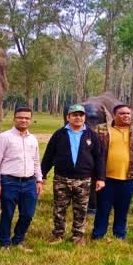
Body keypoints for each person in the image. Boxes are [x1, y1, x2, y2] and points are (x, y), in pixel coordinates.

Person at [41, 104, 106, 246]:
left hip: (83, 179)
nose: (78, 118)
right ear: (68, 117)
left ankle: (78, 236)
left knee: (81, 209)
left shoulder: (92, 136)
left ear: (84, 118)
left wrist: (101, 178)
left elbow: (99, 158)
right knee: (59, 208)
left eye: (81, 115)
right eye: (74, 115)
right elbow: (48, 155)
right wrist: (42, 174)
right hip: (61, 179)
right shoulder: (59, 135)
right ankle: (58, 234)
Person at [0, 107, 43, 250]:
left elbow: (36, 161)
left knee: (28, 214)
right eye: (20, 117)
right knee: (7, 213)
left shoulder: (33, 139)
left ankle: (18, 240)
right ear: (14, 118)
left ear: (31, 120)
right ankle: (4, 242)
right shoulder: (4, 137)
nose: (23, 120)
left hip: (29, 182)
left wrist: (39, 180)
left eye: (27, 118)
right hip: (9, 181)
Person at [92, 104, 133, 240]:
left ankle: (119, 235)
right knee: (103, 209)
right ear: (114, 115)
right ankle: (98, 234)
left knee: (122, 209)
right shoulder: (102, 129)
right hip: (106, 178)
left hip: (128, 178)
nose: (126, 116)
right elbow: (93, 151)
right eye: (122, 113)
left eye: (128, 113)